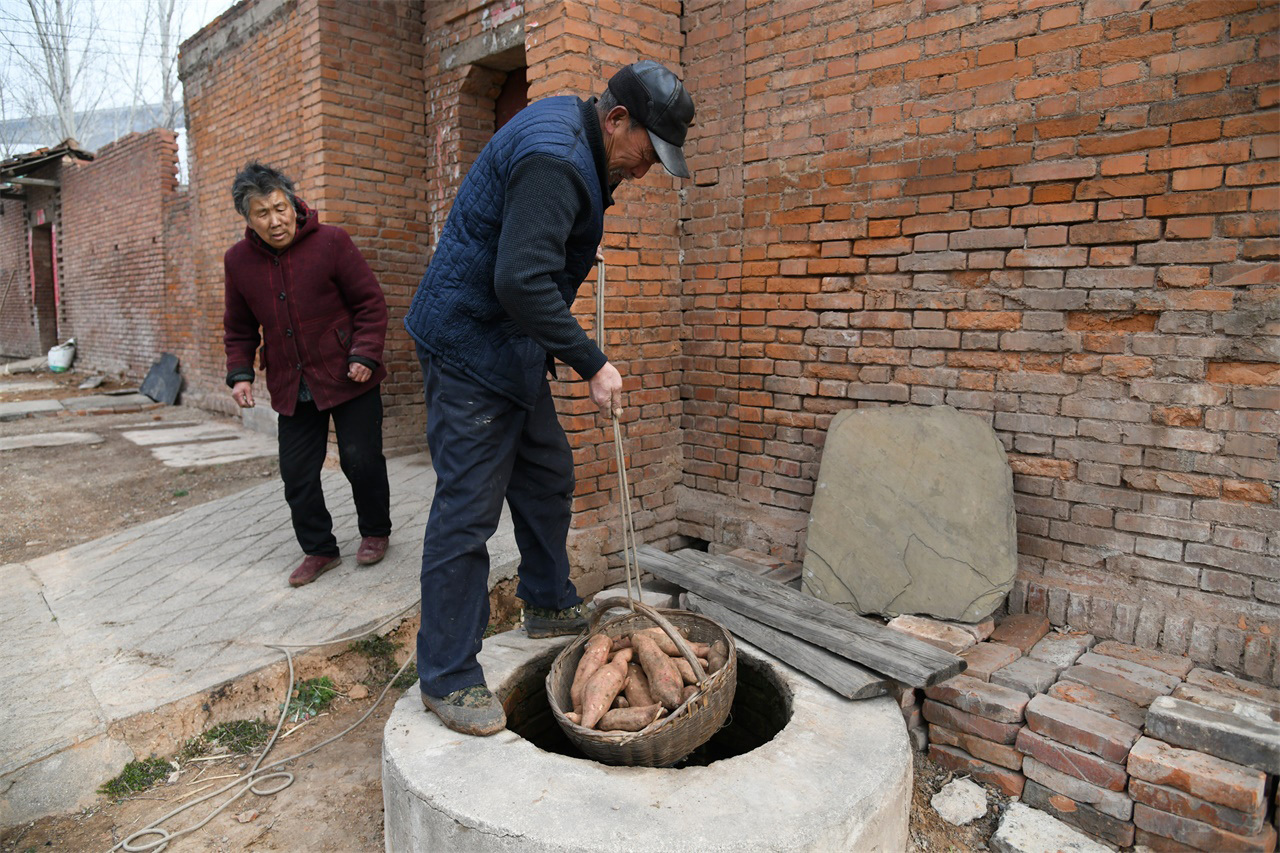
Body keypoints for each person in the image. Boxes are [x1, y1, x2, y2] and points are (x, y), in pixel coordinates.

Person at [403, 60, 696, 736]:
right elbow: (520, 280)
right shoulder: (557, 160)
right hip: (470, 346)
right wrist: (592, 362)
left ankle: (546, 600)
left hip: (510, 348)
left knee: (545, 472)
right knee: (467, 511)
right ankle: (446, 673)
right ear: (617, 119)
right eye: (648, 153)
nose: (647, 170)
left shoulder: (580, 138)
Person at [223, 162, 393, 587]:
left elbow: (370, 304)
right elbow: (239, 326)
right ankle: (319, 549)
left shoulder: (332, 242)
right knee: (297, 473)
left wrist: (365, 354)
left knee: (361, 459)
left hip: (349, 373)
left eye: (280, 208)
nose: (275, 220)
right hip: (290, 381)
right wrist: (240, 374)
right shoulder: (238, 262)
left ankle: (375, 532)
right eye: (262, 213)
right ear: (248, 218)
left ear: (293, 203)